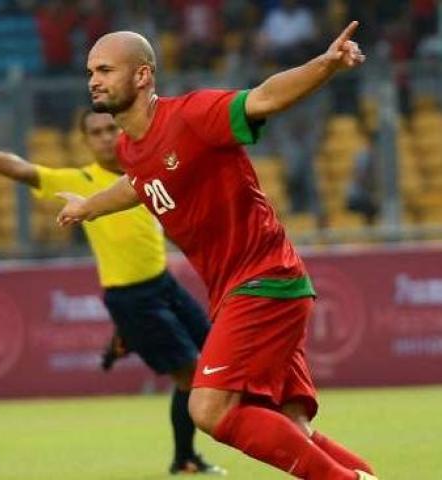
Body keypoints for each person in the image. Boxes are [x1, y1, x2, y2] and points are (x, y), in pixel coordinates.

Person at [56, 26, 377, 480]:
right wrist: (88, 206)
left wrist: (327, 63)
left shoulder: (192, 116)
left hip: (265, 281)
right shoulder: (131, 146)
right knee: (289, 424)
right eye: (91, 71)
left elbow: (263, 98)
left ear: (143, 75)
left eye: (106, 69)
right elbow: (140, 182)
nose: (94, 79)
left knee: (207, 408)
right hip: (247, 289)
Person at [0, 113, 226, 475]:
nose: (105, 137)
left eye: (111, 129)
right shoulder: (79, 181)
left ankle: (129, 341)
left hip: (164, 283)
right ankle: (184, 458)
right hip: (130, 297)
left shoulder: (145, 172)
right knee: (189, 374)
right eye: (95, 132)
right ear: (85, 141)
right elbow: (19, 168)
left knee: (216, 357)